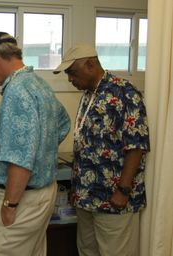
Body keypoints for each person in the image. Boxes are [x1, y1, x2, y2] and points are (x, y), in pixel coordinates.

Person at [0, 31, 70, 256]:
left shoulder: (16, 91)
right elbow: (63, 123)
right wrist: (41, 147)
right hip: (45, 192)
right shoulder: (38, 83)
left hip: (23, 199)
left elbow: (20, 159)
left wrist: (10, 205)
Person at [53, 43, 150, 256]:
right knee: (87, 250)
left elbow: (136, 146)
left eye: (72, 72)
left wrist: (123, 190)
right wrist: (77, 190)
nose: (70, 79)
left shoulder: (124, 92)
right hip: (87, 197)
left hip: (113, 198)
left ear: (90, 64)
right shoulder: (89, 94)